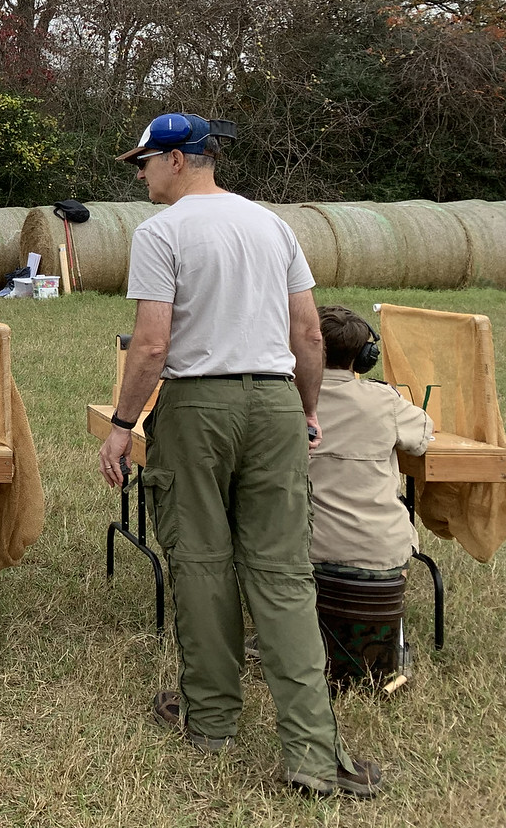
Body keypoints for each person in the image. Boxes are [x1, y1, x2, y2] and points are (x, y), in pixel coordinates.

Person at [97, 112, 380, 799]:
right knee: (283, 574)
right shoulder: (273, 225)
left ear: (178, 159)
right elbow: (308, 333)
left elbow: (153, 345)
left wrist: (121, 424)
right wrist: (306, 408)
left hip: (197, 407)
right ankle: (314, 754)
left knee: (199, 562)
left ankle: (214, 720)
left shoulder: (160, 233)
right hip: (277, 403)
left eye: (143, 163)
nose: (139, 175)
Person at [310, 305, 433, 575]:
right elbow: (422, 436)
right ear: (366, 357)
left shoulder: (288, 400)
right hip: (381, 553)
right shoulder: (384, 401)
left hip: (306, 551)